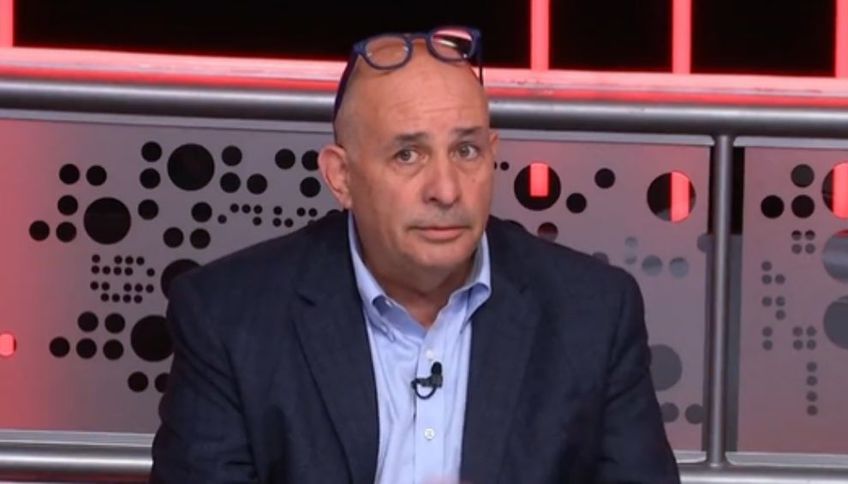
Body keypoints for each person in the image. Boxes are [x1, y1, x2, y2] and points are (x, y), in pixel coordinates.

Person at [149, 26, 680, 484]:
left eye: (466, 151)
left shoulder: (592, 313)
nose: (446, 190)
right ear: (341, 177)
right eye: (408, 155)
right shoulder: (230, 318)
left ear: (493, 155)